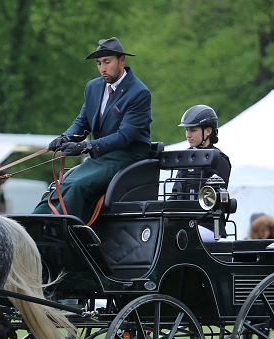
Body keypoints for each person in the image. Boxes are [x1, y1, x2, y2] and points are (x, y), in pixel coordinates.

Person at [33, 37, 152, 222]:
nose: (102, 69)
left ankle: (63, 233)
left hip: (127, 157)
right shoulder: (93, 87)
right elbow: (82, 122)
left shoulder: (139, 92)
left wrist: (87, 147)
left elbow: (124, 136)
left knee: (79, 185)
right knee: (62, 185)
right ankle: (33, 225)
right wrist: (66, 138)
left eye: (107, 62)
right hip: (101, 157)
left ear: (121, 60)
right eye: (98, 63)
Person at [171, 105, 232, 240]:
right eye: (186, 130)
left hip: (208, 226)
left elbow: (212, 199)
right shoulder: (185, 158)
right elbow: (175, 194)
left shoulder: (219, 159)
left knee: (178, 238)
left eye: (193, 130)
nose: (188, 135)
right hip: (184, 222)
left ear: (208, 131)